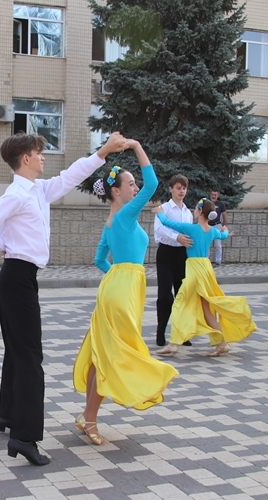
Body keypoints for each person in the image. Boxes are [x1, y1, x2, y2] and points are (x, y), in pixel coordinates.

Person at [0, 131, 128, 466]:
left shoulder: (39, 190)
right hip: (16, 276)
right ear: (25, 159)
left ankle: (8, 416)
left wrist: (102, 151)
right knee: (30, 357)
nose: (43, 157)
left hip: (21, 277)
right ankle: (24, 438)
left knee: (17, 350)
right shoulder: (17, 194)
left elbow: (72, 175)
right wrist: (5, 245)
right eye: (39, 153)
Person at [72, 141, 179, 446]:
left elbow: (98, 261)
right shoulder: (125, 215)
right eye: (131, 184)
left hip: (118, 288)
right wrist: (136, 146)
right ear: (116, 191)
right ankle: (90, 419)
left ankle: (87, 416)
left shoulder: (113, 221)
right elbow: (155, 183)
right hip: (122, 291)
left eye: (135, 184)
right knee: (113, 356)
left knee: (102, 355)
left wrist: (118, 277)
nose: (136, 187)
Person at [153, 198, 256, 357]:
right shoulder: (212, 230)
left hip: (194, 269)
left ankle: (173, 344)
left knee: (180, 302)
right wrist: (227, 230)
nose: (194, 211)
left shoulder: (192, 229)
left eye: (196, 209)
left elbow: (168, 223)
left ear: (200, 212)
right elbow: (223, 235)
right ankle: (222, 344)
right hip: (206, 269)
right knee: (206, 309)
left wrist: (159, 213)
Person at [153, 175, 193, 347]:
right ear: (171, 189)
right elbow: (159, 229)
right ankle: (160, 331)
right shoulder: (163, 209)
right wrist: (176, 237)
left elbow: (190, 233)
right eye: (178, 187)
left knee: (182, 295)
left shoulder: (188, 212)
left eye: (183, 188)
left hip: (182, 255)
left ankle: (181, 333)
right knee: (165, 296)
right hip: (166, 254)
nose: (181, 191)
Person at [209, 189, 228, 266]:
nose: (213, 196)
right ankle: (207, 261)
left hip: (217, 226)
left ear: (218, 195)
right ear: (210, 195)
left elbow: (224, 215)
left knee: (218, 244)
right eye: (212, 194)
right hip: (208, 226)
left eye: (215, 195)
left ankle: (218, 261)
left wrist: (224, 226)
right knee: (207, 244)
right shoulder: (207, 203)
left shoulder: (221, 204)